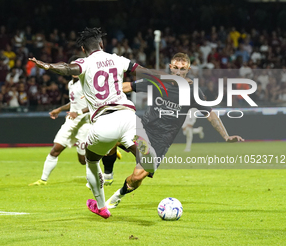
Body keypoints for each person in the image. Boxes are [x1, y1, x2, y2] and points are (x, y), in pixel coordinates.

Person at [29, 27, 148, 219]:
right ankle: (143, 156)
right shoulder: (118, 59)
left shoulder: (84, 62)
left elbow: (67, 68)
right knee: (143, 154)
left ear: (83, 49)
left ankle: (101, 206)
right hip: (129, 116)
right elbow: (144, 72)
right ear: (102, 44)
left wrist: (48, 66)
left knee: (91, 161)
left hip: (103, 122)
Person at [105, 52, 244, 209]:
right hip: (142, 130)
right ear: (170, 67)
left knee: (137, 177)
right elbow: (128, 86)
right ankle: (108, 173)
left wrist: (225, 136)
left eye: (182, 69)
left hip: (160, 141)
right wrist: (102, 94)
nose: (178, 72)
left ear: (188, 69)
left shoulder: (193, 92)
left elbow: (210, 115)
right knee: (109, 136)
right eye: (176, 68)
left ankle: (119, 195)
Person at [29, 55, 120, 187]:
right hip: (71, 122)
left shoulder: (88, 83)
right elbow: (73, 103)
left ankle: (107, 156)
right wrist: (59, 109)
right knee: (56, 149)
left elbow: (95, 104)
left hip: (85, 123)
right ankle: (43, 180)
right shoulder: (71, 84)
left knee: (84, 160)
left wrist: (77, 112)